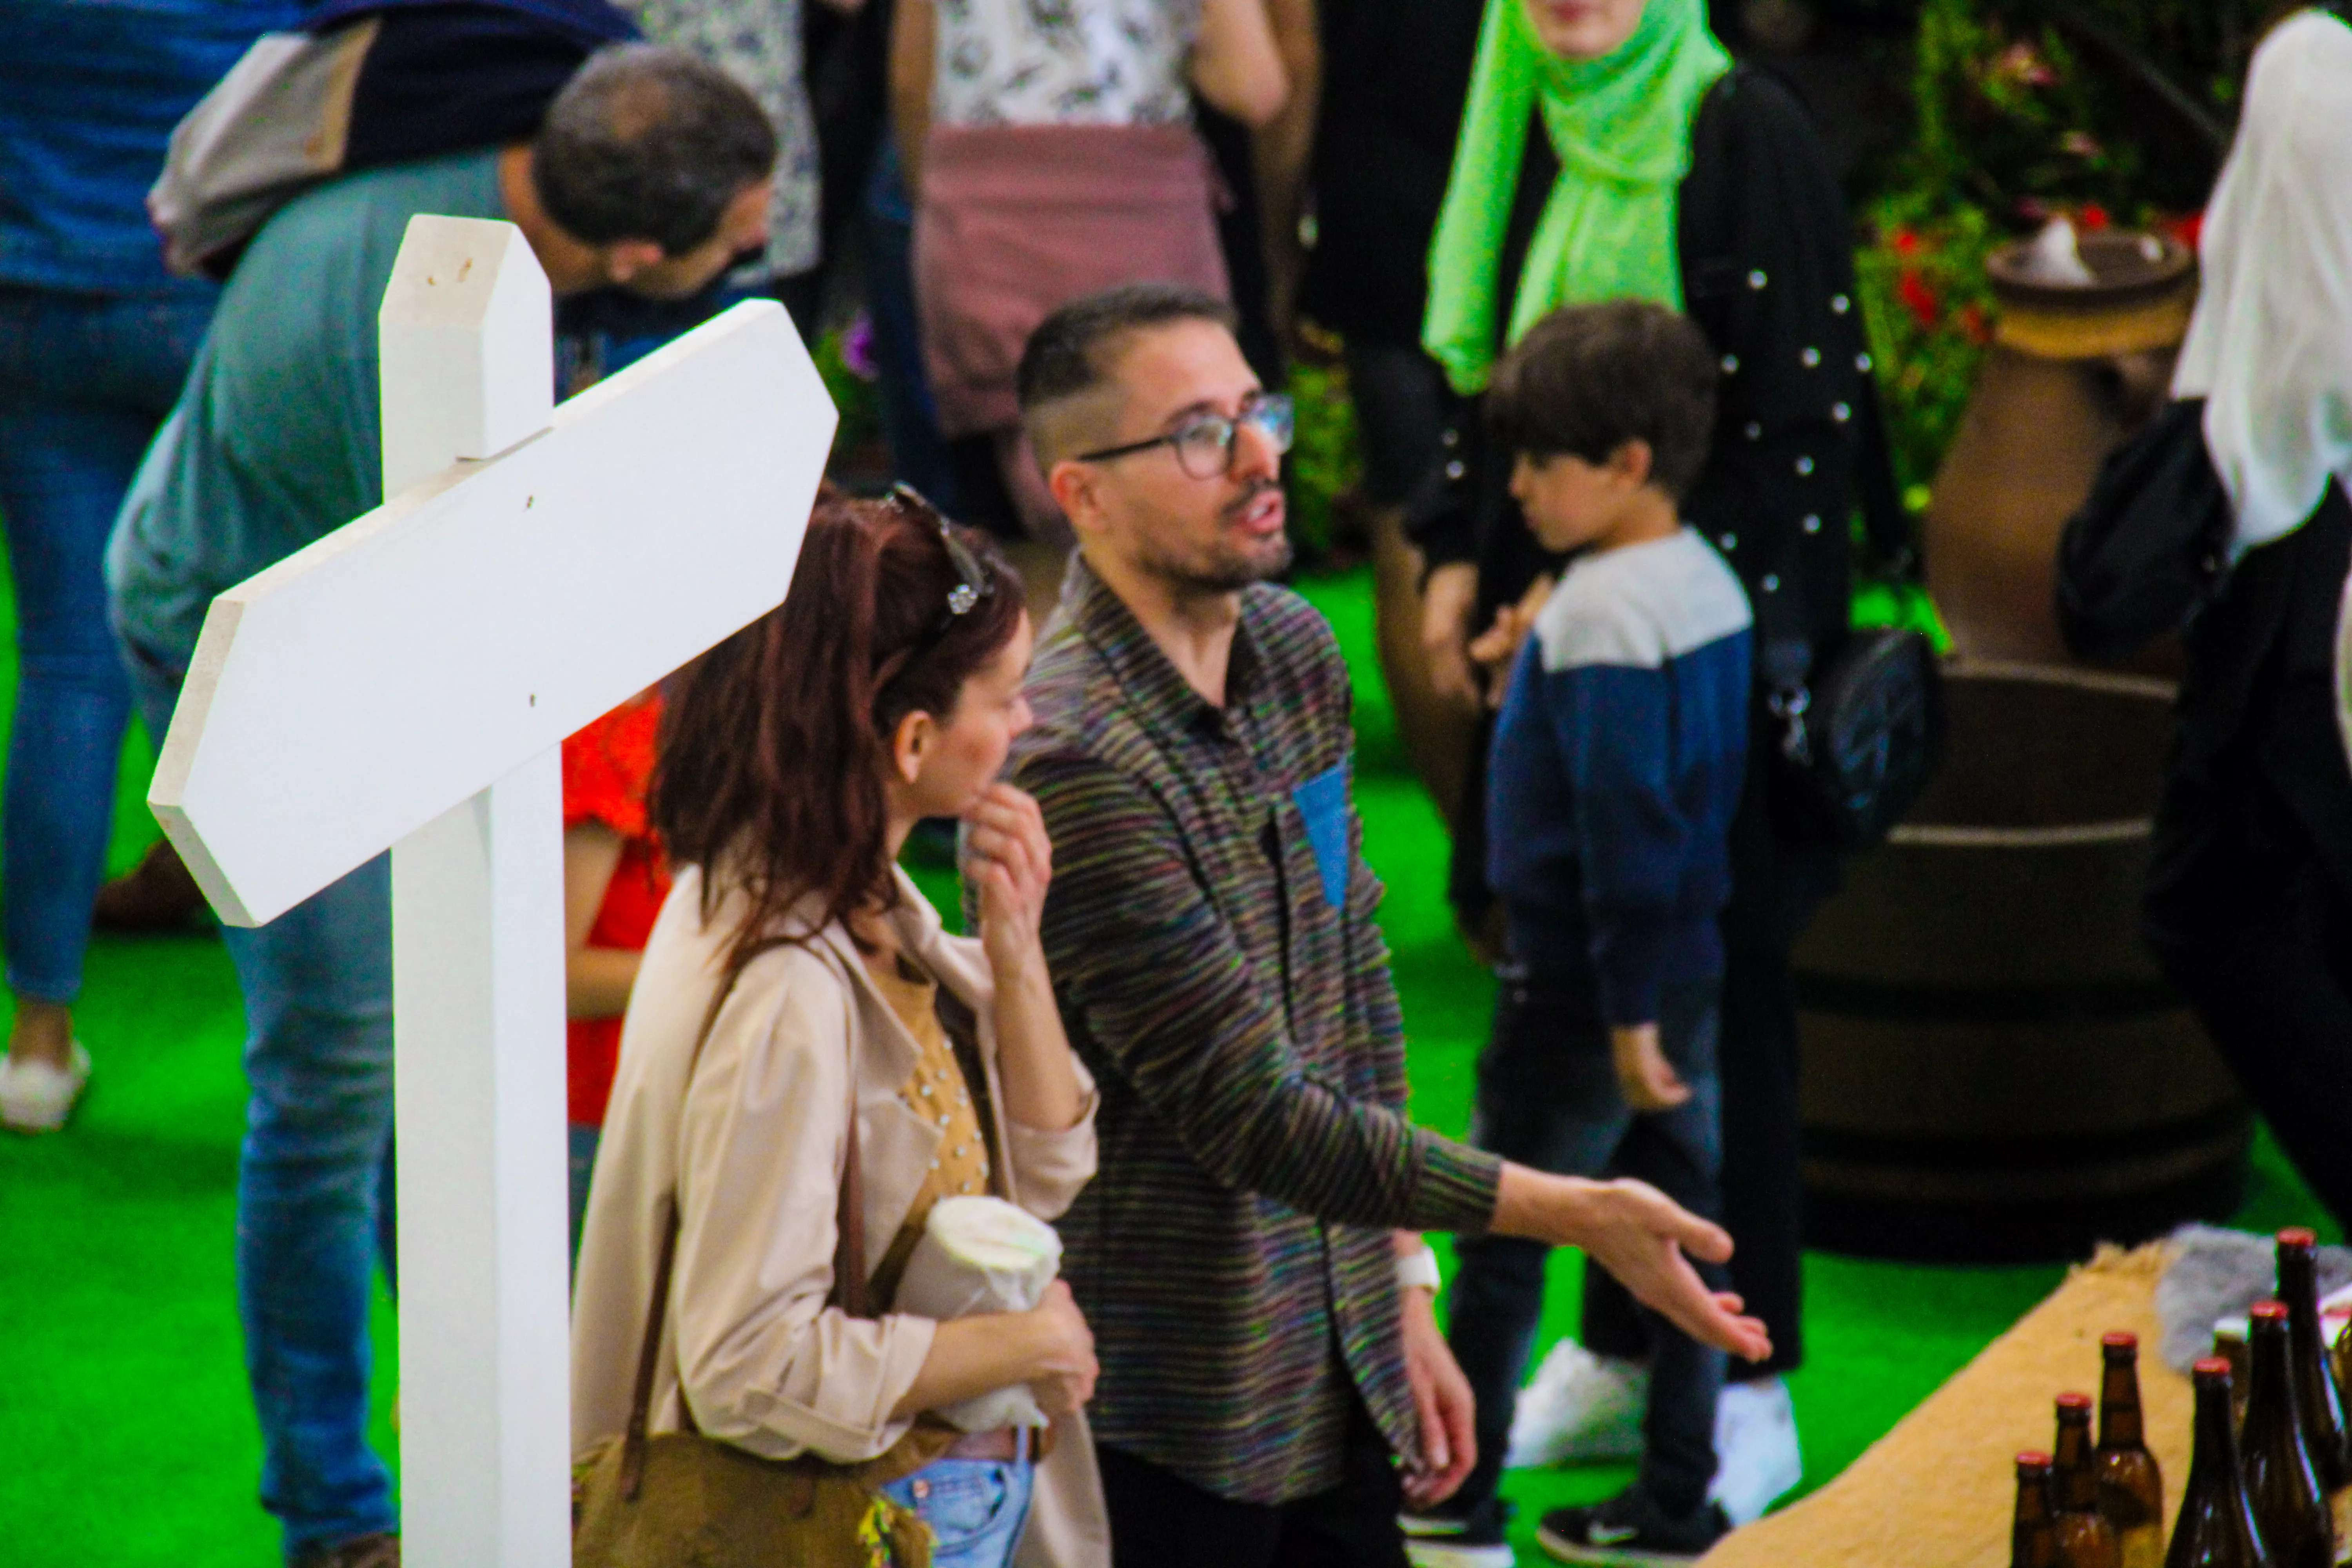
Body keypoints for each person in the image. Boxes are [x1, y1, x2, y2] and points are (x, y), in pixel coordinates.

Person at [104, 47, 775, 1567]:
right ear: (635, 257)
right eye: (739, 236)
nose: (757, 257)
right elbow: (451, 628)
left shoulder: (498, 190)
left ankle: (504, 1429)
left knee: (432, 1057)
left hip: (343, 618)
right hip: (236, 648)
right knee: (337, 1079)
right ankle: (339, 1510)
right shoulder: (379, 317)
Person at [1004, 283, 1768, 1568]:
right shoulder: (1076, 754)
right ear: (1082, 493)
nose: (1260, 459)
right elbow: (1254, 1112)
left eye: (1259, 411)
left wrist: (1401, 1286)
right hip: (1167, 1412)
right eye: (1200, 434)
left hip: (1341, 1356)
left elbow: (1350, 985)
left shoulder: (1296, 648)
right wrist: (1568, 1212)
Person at [1412, 0, 1908, 1524]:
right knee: (1577, 996)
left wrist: (1614, 600)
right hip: (1565, 633)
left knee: (1715, 1009)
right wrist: (1453, 551)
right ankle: (1627, 1345)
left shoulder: (1734, 125)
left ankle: (1748, 1381)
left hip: (1701, 659)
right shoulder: (1529, 111)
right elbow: (1503, 389)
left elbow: (1804, 438)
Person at [572, 492, 1104, 1568]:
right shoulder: (792, 993)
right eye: (1004, 698)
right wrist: (1023, 1340)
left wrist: (1016, 955)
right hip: (872, 1521)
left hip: (925, 1500)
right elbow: (747, 1366)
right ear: (913, 738)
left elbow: (1041, 1177)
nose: (1026, 724)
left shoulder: (810, 899)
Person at [1434, 301, 1751, 1566]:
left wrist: (1621, 1023)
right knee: (1684, 1236)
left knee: (1507, 1233)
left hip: (1585, 991)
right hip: (1686, 974)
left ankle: (1448, 1499)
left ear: (1624, 465)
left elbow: (1625, 832)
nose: (1515, 488)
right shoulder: (1698, 576)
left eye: (1538, 464)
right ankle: (1677, 1501)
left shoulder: (1605, 613)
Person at [0, 0, 301, 1133]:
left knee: (70, 664)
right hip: (212, 301)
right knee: (265, 649)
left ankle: (38, 1043)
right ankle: (299, 1032)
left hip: (36, 297)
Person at [2142, 5, 2352, 1231]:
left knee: (2219, 905)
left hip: (2295, 576)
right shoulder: (2310, 65)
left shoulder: (2312, 76)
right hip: (2286, 557)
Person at [889, 0, 1288, 537]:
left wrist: (946, 198)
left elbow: (911, 80)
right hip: (1143, 222)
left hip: (978, 226)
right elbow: (1252, 86)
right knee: (1189, 508)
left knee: (1009, 551)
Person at [1294, 0, 1487, 822]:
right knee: (1423, 502)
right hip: (1500, 182)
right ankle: (1487, 852)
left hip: (1383, 200)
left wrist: (1280, 235)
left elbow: (1301, 52)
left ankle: (1478, 855)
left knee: (1408, 503)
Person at [561, 686, 671, 1262]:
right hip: (592, 1121)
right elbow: (558, 974)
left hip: (652, 1102)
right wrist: (716, 968)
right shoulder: (611, 739)